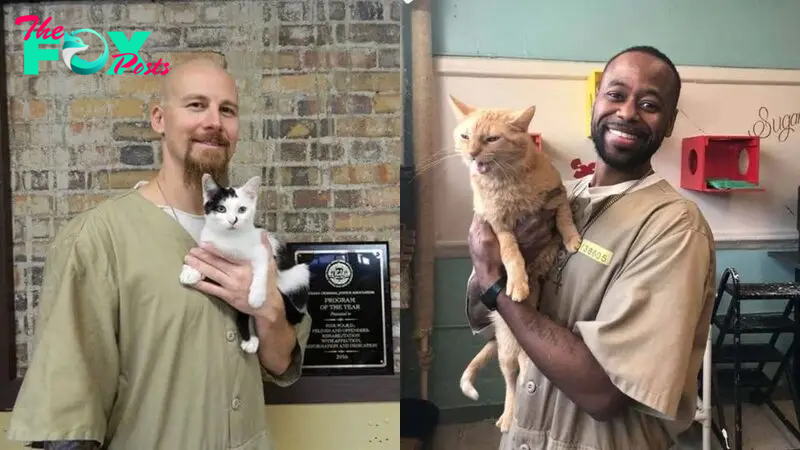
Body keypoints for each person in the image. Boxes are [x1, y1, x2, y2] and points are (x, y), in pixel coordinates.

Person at [6, 58, 312, 450]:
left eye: (228, 110)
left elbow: (282, 363)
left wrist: (268, 308)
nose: (214, 122)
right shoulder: (97, 239)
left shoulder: (258, 244)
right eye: (196, 105)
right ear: (158, 119)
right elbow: (68, 416)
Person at [465, 46, 716, 450]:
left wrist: (495, 283)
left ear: (669, 124)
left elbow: (604, 392)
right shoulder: (555, 196)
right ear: (595, 104)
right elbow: (480, 311)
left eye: (650, 103)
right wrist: (492, 273)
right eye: (615, 95)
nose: (628, 112)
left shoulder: (674, 227)